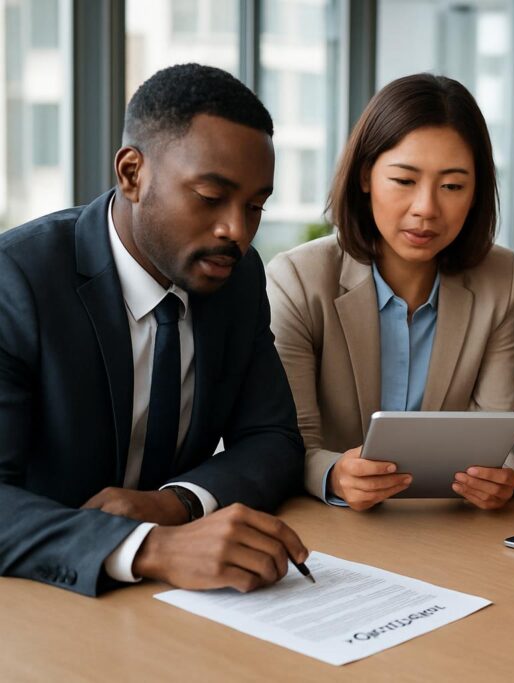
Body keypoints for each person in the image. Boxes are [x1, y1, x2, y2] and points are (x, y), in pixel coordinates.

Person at [0, 64, 308, 596]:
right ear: (132, 173)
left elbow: (271, 438)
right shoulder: (18, 281)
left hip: (179, 603)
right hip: (42, 599)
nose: (236, 230)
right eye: (211, 197)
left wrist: (175, 504)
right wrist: (150, 546)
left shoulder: (237, 276)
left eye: (255, 206)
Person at [267, 74, 514, 512]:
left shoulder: (499, 276)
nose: (426, 208)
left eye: (453, 186)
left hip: (448, 525)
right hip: (328, 527)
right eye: (404, 181)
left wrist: (502, 475)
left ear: (476, 192)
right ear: (366, 176)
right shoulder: (298, 279)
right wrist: (333, 474)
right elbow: (289, 444)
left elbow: (495, 432)